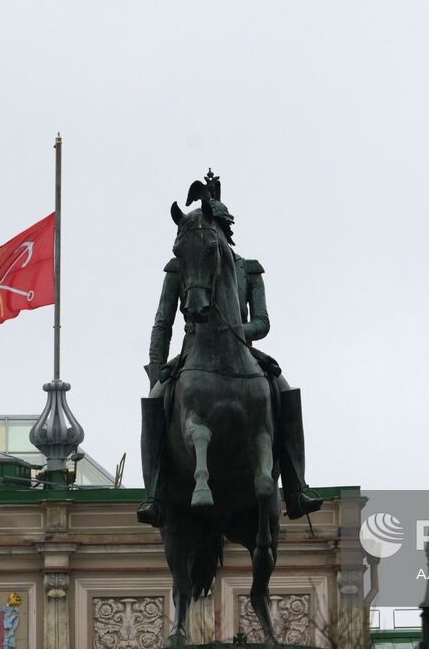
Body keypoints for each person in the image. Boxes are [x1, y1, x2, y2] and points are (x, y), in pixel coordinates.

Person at [137, 171, 322, 527]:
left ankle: (297, 487)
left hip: (242, 351)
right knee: (155, 403)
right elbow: (163, 323)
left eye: (216, 229)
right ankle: (155, 494)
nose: (212, 236)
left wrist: (236, 330)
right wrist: (155, 368)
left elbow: (263, 322)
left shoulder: (248, 270)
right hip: (192, 355)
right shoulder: (181, 267)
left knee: (285, 391)